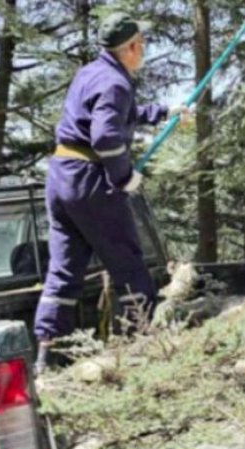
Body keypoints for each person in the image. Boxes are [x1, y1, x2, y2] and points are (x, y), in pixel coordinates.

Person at [34, 12, 190, 372]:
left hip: (60, 177)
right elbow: (105, 135)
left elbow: (118, 113)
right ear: (131, 47)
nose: (144, 50)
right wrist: (123, 177)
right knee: (127, 261)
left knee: (63, 271)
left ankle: (46, 356)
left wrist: (162, 112)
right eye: (143, 44)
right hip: (91, 180)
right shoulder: (115, 83)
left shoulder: (90, 73)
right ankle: (149, 346)